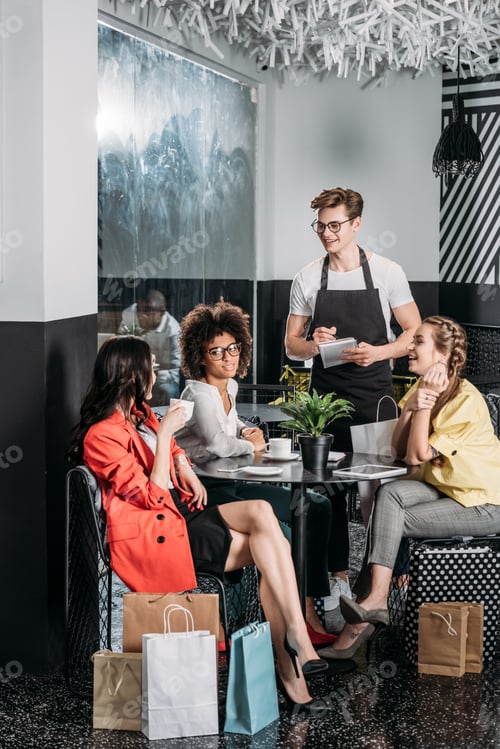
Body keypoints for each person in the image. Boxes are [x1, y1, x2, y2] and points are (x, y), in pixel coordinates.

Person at [68, 335, 331, 712]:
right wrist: (164, 437)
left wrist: (184, 467)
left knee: (261, 513)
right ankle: (292, 662)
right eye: (150, 366)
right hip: (155, 533)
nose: (156, 371)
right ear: (130, 375)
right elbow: (152, 495)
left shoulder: (138, 412)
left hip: (179, 513)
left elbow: (174, 453)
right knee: (276, 549)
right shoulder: (102, 435)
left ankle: (295, 644)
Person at [317, 316, 500, 660]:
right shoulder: (422, 389)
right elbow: (401, 452)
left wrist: (425, 403)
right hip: (448, 488)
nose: (409, 349)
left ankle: (370, 602)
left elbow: (417, 455)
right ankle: (375, 599)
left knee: (390, 513)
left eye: (418, 342)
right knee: (391, 494)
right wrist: (412, 408)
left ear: (442, 354)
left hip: (483, 502)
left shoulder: (464, 399)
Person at [285, 187, 421, 630]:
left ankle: (385, 588)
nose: (326, 234)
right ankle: (340, 580)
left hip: (374, 398)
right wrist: (314, 343)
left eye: (335, 225)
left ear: (356, 223)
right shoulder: (308, 277)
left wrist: (379, 353)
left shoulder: (386, 272)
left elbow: (414, 333)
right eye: (320, 226)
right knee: (329, 490)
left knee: (377, 497)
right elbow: (291, 345)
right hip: (326, 404)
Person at [175, 300, 335, 645]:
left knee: (317, 506)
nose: (228, 357)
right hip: (205, 492)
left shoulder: (228, 388)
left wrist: (246, 430)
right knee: (283, 533)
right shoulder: (199, 394)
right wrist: (255, 446)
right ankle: (288, 626)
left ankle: (310, 605)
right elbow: (217, 444)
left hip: (232, 485)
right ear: (200, 357)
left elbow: (228, 428)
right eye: (216, 352)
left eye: (232, 348)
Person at [119, 289, 180, 404]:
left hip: (162, 378)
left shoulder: (173, 330)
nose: (142, 315)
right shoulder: (130, 314)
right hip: (133, 374)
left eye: (148, 311)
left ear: (161, 312)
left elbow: (177, 367)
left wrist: (156, 376)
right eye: (140, 309)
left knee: (169, 390)